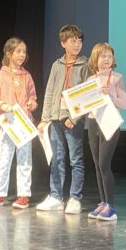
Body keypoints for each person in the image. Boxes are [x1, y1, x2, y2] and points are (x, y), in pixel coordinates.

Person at [38, 25, 89, 215]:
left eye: (79, 41)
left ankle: (75, 198)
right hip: (55, 118)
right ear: (63, 43)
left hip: (73, 119)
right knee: (57, 158)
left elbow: (88, 95)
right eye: (73, 41)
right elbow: (50, 92)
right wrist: (45, 119)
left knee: (76, 159)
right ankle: (56, 196)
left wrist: (75, 117)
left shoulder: (85, 65)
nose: (77, 44)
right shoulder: (57, 65)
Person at [0, 37, 38, 210]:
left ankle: (23, 195)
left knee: (25, 160)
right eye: (18, 51)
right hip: (7, 123)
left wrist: (32, 103)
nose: (22, 55)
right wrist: (4, 106)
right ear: (9, 53)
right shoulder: (0, 75)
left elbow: (33, 97)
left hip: (23, 123)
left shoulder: (27, 76)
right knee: (4, 158)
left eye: (24, 52)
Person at [85, 43, 126, 221]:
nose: (107, 59)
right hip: (93, 122)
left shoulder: (117, 78)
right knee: (97, 165)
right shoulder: (90, 80)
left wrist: (111, 94)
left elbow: (124, 104)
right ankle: (103, 202)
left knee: (104, 164)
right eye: (103, 56)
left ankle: (111, 206)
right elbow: (85, 104)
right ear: (95, 59)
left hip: (110, 122)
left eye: (109, 56)